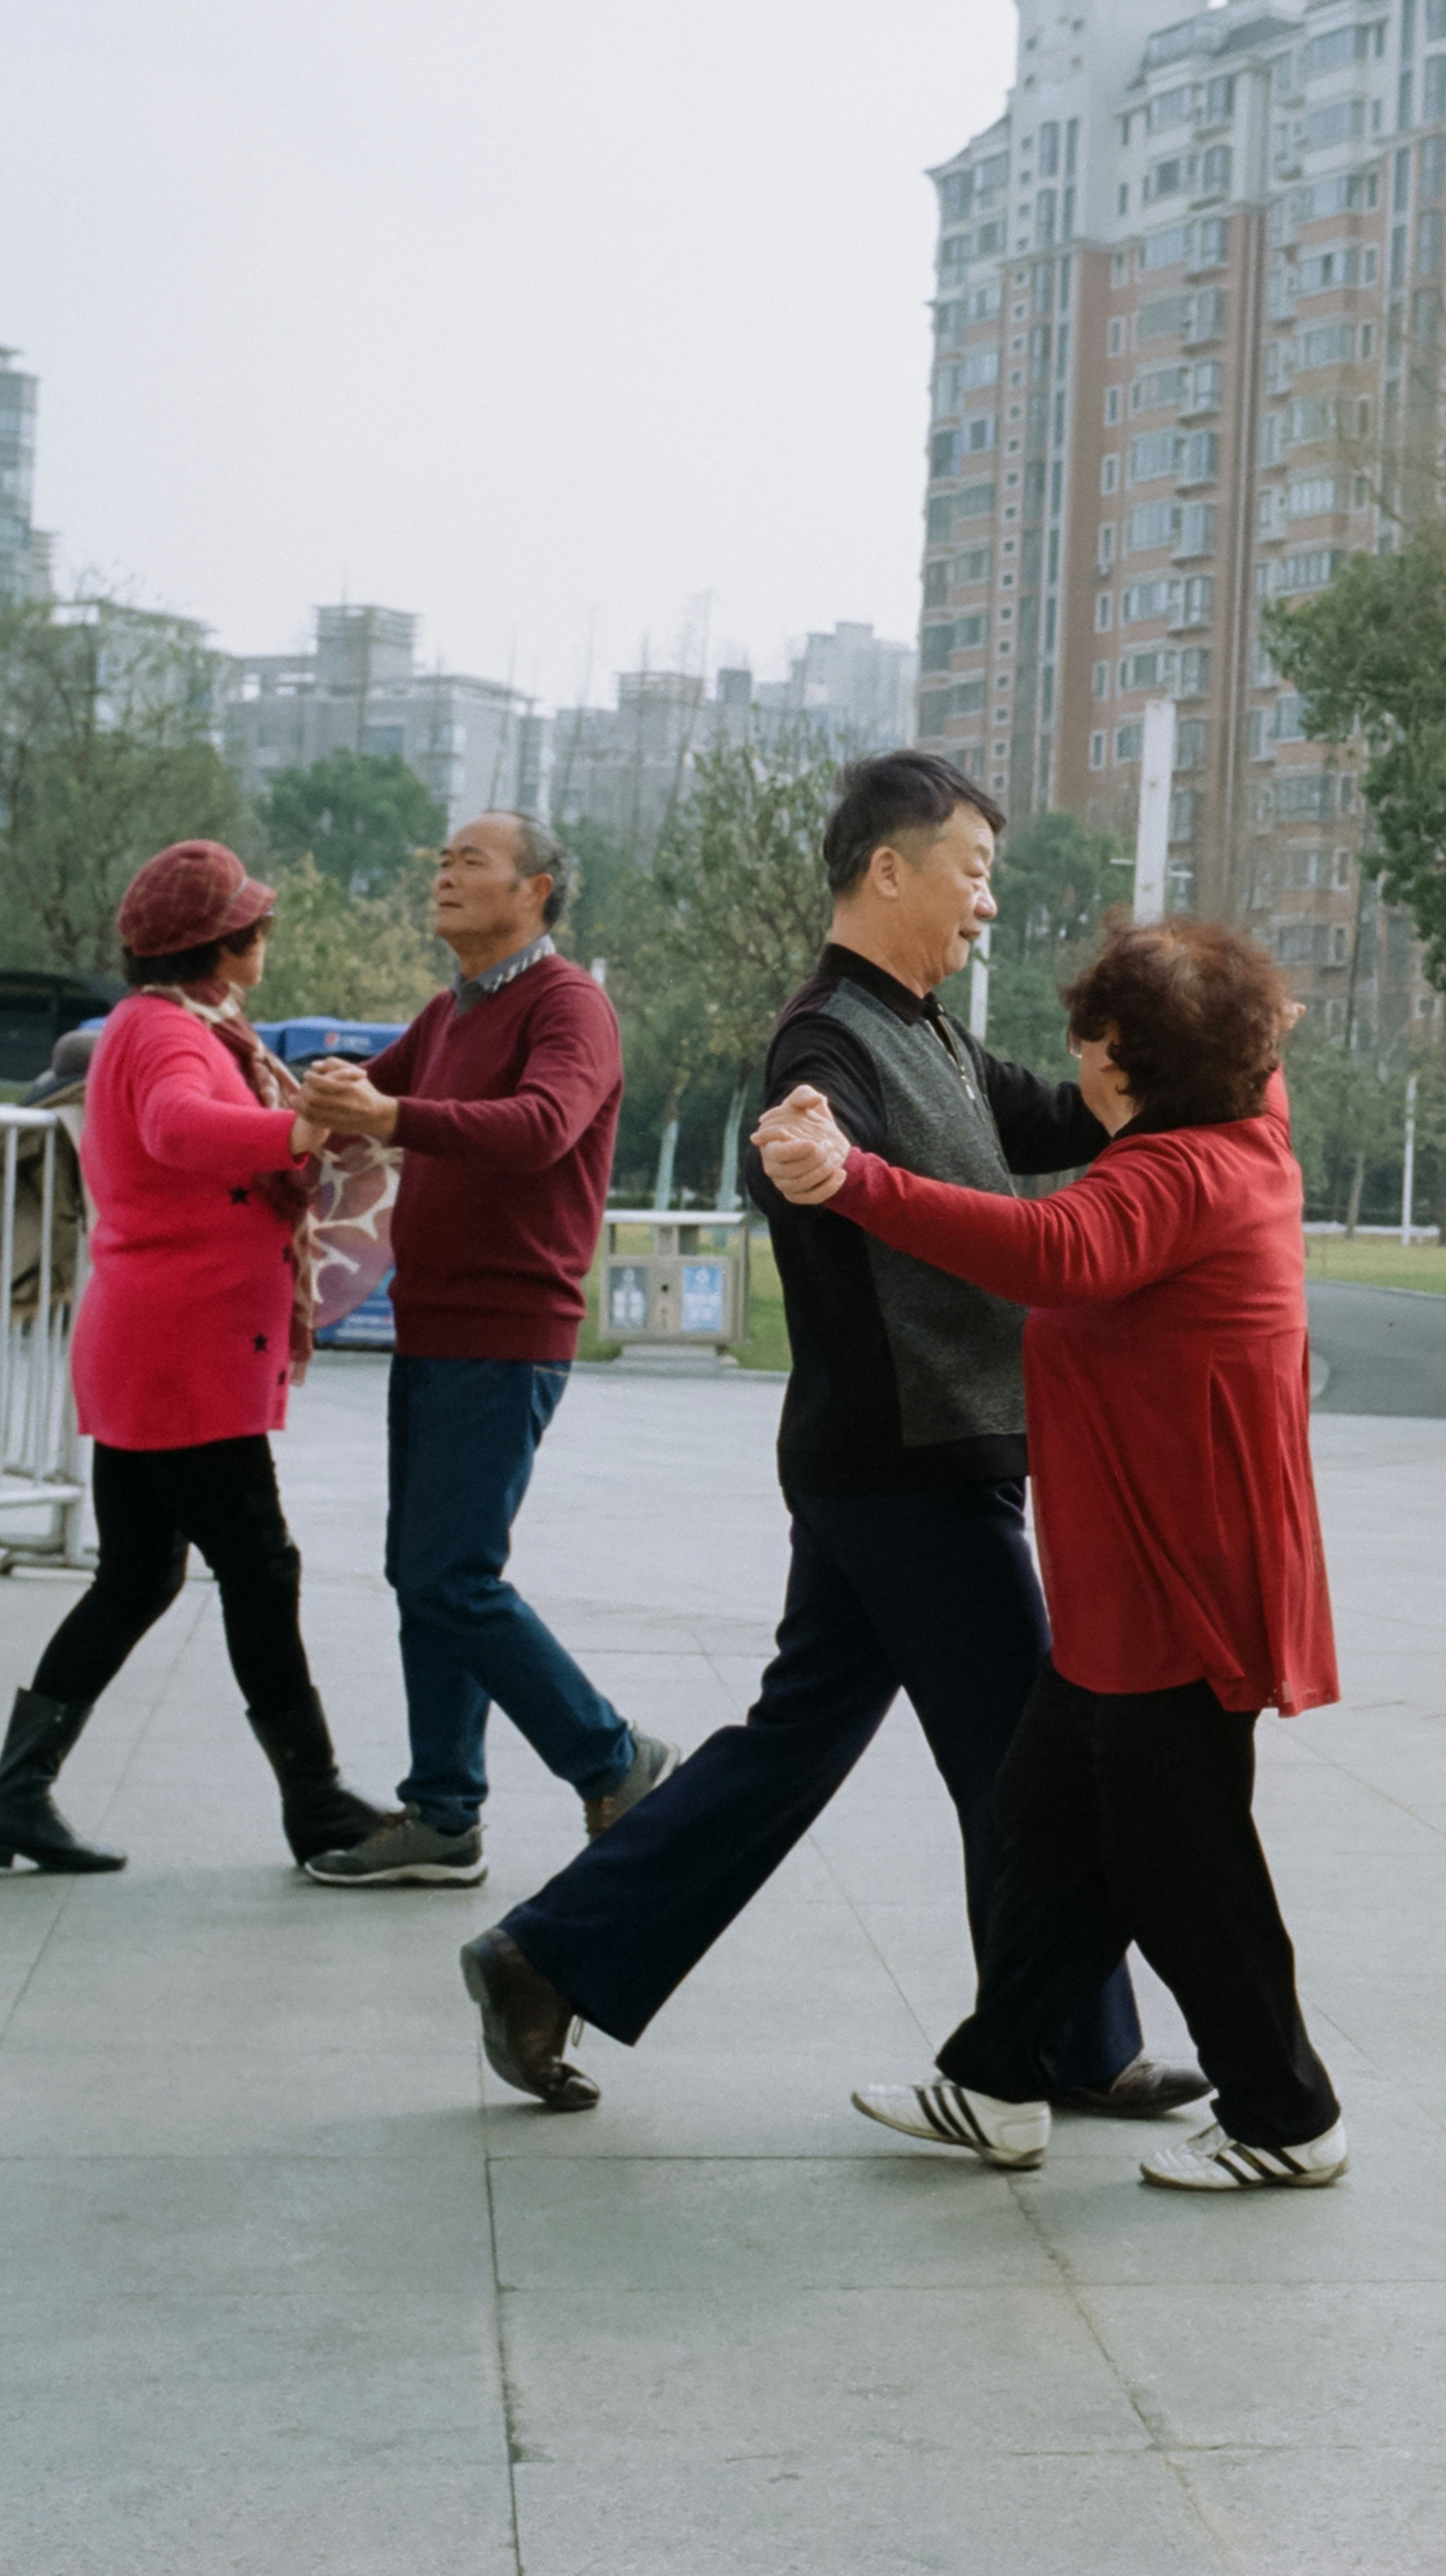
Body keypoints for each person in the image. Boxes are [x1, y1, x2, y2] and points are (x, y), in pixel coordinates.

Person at [451, 754, 1193, 2123]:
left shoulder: (936, 1037)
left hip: (897, 1468)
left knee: (796, 1747)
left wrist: (1195, 1061)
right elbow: (797, 1145)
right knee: (1035, 1764)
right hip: (906, 1467)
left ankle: (542, 1956)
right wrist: (793, 1147)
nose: (985, 904)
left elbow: (1060, 1118)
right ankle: (1067, 2047)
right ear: (889, 870)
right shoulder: (825, 1042)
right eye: (972, 871)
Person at [771, 917, 1350, 2192]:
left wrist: (852, 1177)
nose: (1072, 1055)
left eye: (1090, 1036)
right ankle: (997, 2082)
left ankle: (1286, 2114)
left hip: (1175, 1583)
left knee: (1180, 1863)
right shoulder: (1238, 1128)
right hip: (1130, 1579)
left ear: (1126, 1060)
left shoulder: (1181, 1176)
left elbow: (1053, 1251)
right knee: (1052, 1825)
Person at [0, 841, 390, 1875]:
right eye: (256, 923)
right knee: (258, 1564)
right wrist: (293, 1127)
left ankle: (13, 1797)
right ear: (225, 942)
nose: (264, 937)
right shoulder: (168, 1036)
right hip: (183, 1350)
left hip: (153, 1341)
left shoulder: (166, 1025)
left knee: (137, 1574)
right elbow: (177, 1127)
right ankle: (317, 1799)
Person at [291, 813, 677, 1887]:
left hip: (508, 1327)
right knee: (427, 1575)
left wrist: (392, 1109)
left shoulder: (570, 1006)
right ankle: (444, 1810)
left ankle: (612, 1754)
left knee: (453, 1575)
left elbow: (542, 1123)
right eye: (441, 855)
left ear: (538, 889)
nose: (445, 872)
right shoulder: (448, 1008)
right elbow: (376, 1103)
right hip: (435, 1321)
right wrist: (324, 1094)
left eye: (471, 860)